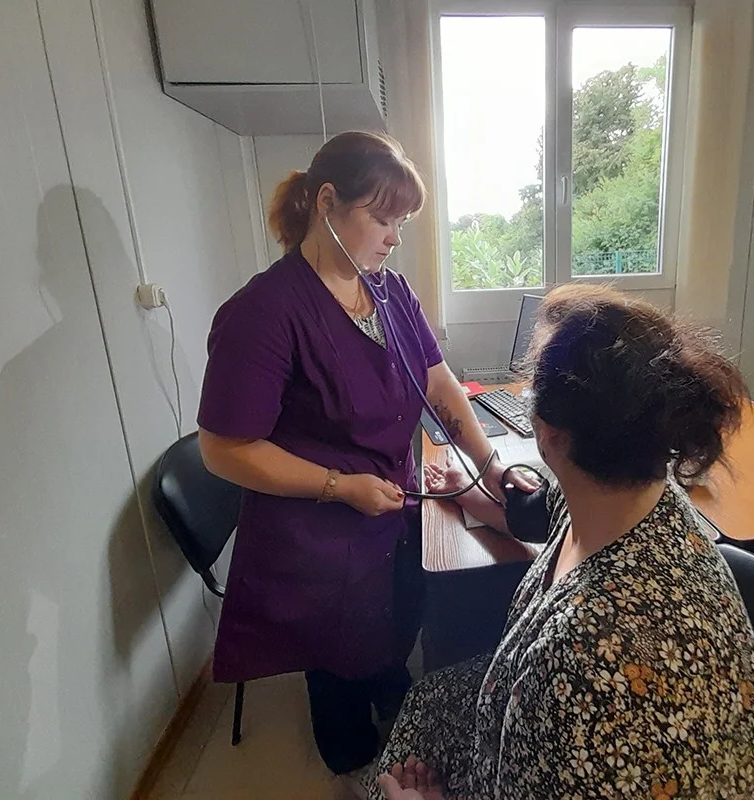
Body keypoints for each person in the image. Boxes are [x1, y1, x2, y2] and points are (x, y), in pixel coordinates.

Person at [196, 131, 526, 778]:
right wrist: (338, 485)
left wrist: (489, 466)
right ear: (326, 202)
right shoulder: (265, 312)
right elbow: (224, 449)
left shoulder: (390, 291)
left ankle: (390, 698)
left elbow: (440, 385)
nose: (394, 237)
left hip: (391, 511)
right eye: (382, 218)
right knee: (339, 673)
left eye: (402, 222)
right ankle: (353, 761)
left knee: (394, 632)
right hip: (316, 536)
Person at [367, 284, 754, 800]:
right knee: (426, 698)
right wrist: (467, 493)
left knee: (396, 769)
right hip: (554, 729)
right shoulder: (631, 496)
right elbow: (536, 513)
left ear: (549, 434)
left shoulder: (582, 658)